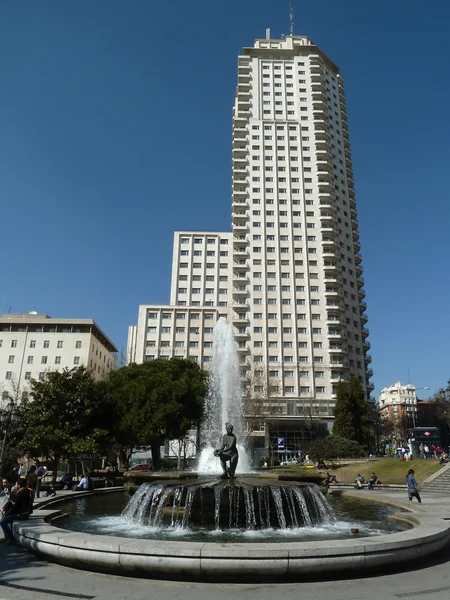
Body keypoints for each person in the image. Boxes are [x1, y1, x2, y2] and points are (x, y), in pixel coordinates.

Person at [0, 478, 32, 543]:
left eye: (16, 484)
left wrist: (7, 513)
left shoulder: (20, 493)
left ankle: (10, 538)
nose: (15, 485)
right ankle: (7, 537)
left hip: (22, 515)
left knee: (2, 522)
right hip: (25, 513)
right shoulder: (27, 491)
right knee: (8, 518)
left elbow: (15, 507)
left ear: (19, 485)